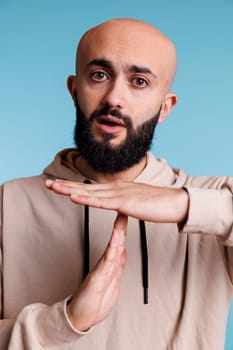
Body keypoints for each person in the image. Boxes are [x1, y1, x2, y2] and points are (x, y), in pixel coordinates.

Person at [0, 18, 233, 350]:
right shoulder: (8, 203)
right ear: (74, 89)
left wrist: (182, 203)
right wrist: (66, 321)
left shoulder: (213, 207)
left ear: (165, 107)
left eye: (139, 81)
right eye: (99, 75)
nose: (114, 98)